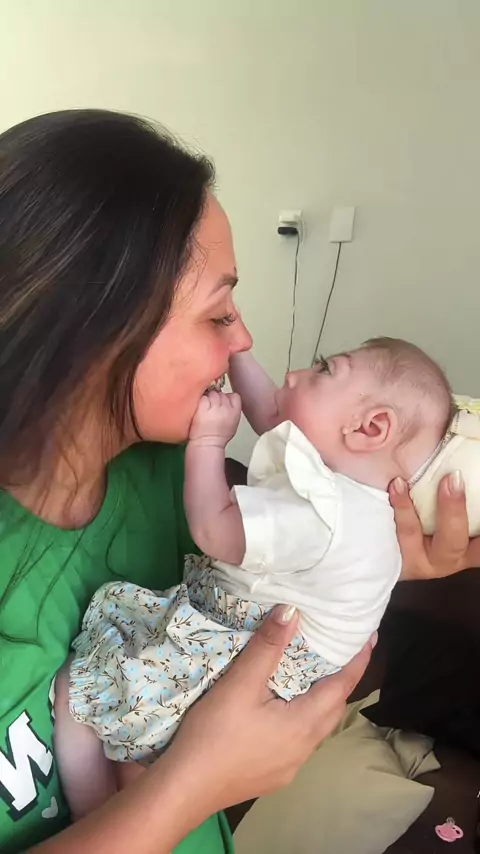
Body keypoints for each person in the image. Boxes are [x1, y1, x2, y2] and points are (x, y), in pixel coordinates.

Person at [0, 109, 475, 854]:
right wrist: (187, 789)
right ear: (93, 331)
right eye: (218, 313)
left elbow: (275, 576)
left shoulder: (169, 468)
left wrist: (382, 566)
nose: (245, 338)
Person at [53, 336, 455, 815]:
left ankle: (90, 814)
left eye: (324, 370)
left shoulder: (325, 514)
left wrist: (208, 442)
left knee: (79, 691)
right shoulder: (367, 506)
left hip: (230, 663)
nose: (294, 375)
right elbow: (270, 413)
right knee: (141, 762)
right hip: (265, 674)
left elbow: (213, 529)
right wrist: (236, 348)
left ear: (370, 427)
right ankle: (117, 810)